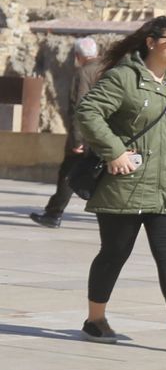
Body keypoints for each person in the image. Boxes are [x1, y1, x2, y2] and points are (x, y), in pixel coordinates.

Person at [73, 16, 166, 351]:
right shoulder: (124, 78)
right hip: (126, 185)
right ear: (151, 42)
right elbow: (88, 111)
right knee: (114, 253)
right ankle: (95, 319)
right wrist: (115, 151)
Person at [32, 36, 102, 228]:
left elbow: (80, 107)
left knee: (68, 173)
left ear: (78, 56)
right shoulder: (109, 69)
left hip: (87, 135)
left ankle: (54, 214)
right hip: (106, 134)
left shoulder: (83, 73)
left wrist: (78, 139)